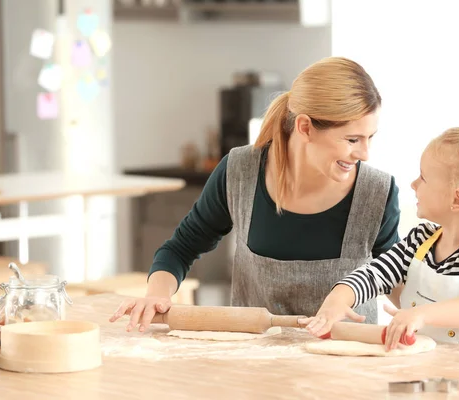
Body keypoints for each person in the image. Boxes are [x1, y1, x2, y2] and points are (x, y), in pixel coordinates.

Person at [110, 57, 401, 332]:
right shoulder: (239, 172)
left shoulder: (376, 193)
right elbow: (180, 248)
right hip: (254, 369)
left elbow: (397, 278)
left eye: (370, 138)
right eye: (352, 139)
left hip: (345, 373)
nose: (364, 153)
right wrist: (156, 295)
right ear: (305, 127)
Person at [301, 127, 459, 350]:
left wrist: (421, 314)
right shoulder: (420, 240)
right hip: (425, 374)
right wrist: (339, 296)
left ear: (457, 200)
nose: (414, 184)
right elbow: (375, 274)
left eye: (423, 178)